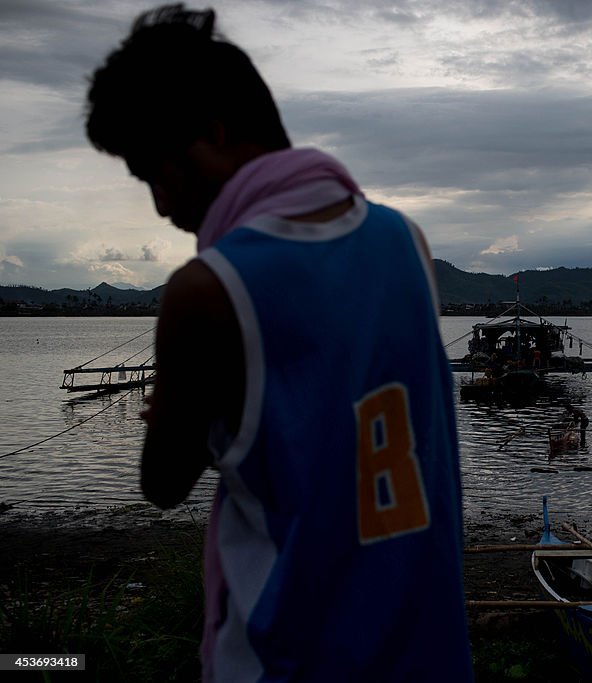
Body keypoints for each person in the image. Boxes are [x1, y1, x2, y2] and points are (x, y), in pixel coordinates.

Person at [85, 6, 472, 681]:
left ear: (213, 133)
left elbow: (160, 483)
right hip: (422, 650)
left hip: (284, 656)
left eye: (156, 172)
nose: (159, 207)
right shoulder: (406, 241)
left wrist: (180, 407)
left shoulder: (206, 290)